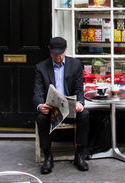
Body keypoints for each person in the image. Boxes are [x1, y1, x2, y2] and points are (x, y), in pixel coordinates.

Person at [33, 37, 90, 174]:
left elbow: (79, 89)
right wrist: (40, 105)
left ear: (66, 50)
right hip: (52, 109)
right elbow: (37, 92)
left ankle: (79, 154)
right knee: (41, 118)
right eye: (54, 54)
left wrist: (79, 103)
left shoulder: (75, 65)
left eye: (61, 54)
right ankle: (47, 156)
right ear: (49, 50)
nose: (58, 57)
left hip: (69, 107)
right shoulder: (41, 67)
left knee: (85, 115)